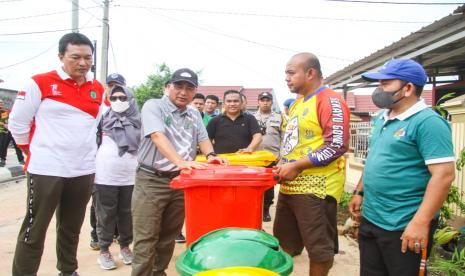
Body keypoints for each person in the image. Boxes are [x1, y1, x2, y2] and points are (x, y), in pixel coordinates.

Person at [349, 59, 456, 276]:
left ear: (408, 88)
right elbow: (374, 159)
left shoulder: (428, 123)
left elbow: (444, 176)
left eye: (385, 83)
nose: (379, 89)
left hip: (403, 224)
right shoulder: (382, 118)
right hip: (372, 218)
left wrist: (420, 222)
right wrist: (359, 192)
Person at [9, 32, 104, 276]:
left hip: (82, 170)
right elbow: (17, 124)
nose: (83, 63)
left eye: (88, 57)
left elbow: (98, 125)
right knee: (35, 228)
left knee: (71, 228)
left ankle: (68, 270)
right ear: (61, 56)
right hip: (46, 170)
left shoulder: (97, 88)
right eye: (75, 57)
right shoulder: (39, 83)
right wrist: (32, 152)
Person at [131, 68, 226, 276]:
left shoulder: (194, 112)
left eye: (189, 88)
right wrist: (181, 162)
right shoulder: (153, 106)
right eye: (178, 86)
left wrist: (211, 155)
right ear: (168, 87)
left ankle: (158, 271)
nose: (183, 92)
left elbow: (202, 137)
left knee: (169, 234)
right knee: (146, 235)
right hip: (152, 179)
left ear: (195, 91)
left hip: (182, 181)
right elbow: (157, 135)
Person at [274, 52, 350, 276]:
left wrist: (297, 166)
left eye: (290, 73)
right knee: (285, 243)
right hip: (289, 186)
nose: (286, 78)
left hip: (316, 188)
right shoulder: (298, 103)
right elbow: (294, 142)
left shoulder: (330, 100)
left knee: (319, 250)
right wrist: (282, 163)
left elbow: (336, 144)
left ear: (310, 73)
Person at [94, 85, 141, 270]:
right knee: (105, 214)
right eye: (114, 98)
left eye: (123, 98)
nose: (118, 102)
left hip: (131, 176)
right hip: (105, 175)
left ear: (131, 99)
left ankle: (125, 246)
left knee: (127, 214)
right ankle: (104, 250)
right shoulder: (102, 119)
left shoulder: (139, 121)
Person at [89, 73, 126, 251]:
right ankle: (97, 237)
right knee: (100, 206)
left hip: (123, 169)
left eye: (118, 86)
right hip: (100, 166)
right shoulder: (98, 109)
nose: (114, 89)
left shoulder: (130, 110)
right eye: (110, 85)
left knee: (122, 206)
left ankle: (118, 235)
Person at [253, 92, 282, 222]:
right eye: (262, 100)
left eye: (268, 100)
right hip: (254, 158)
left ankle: (266, 210)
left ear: (271, 102)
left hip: (272, 157)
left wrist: (281, 156)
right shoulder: (251, 117)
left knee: (269, 186)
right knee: (254, 186)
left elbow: (285, 137)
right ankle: (254, 209)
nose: (265, 102)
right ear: (258, 102)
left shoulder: (279, 117)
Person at [206, 90, 262, 154]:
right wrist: (210, 154)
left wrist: (250, 148)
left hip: (245, 159)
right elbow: (207, 141)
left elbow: (258, 136)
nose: (232, 104)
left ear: (241, 103)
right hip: (221, 161)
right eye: (229, 101)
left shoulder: (250, 118)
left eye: (236, 101)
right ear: (224, 103)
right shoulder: (215, 120)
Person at [0, 100, 24, 166]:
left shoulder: (4, 111)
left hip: (10, 130)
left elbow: (5, 120)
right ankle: (2, 160)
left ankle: (21, 159)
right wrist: (4, 125)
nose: (1, 104)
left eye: (2, 103)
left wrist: (7, 125)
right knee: (3, 146)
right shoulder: (6, 111)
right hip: (4, 131)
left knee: (17, 146)